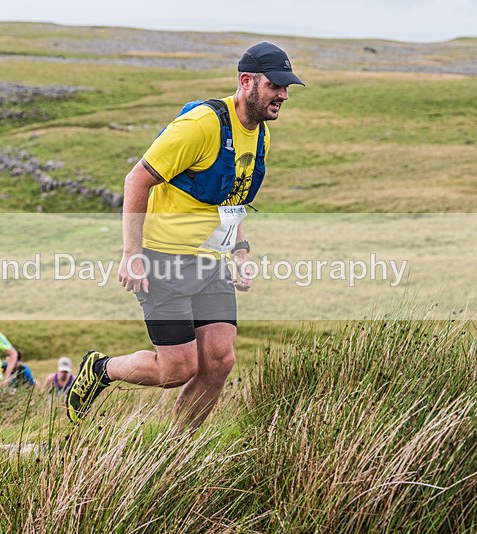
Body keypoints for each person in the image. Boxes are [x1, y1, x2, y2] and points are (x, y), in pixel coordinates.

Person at [67, 42, 303, 429]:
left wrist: (240, 251)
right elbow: (137, 179)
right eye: (276, 85)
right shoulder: (201, 126)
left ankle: (176, 454)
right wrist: (131, 253)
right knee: (176, 369)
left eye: (287, 86)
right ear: (247, 82)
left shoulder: (261, 135)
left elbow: (234, 198)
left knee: (220, 362)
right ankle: (101, 369)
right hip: (164, 259)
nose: (284, 94)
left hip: (212, 262)